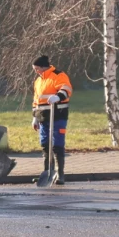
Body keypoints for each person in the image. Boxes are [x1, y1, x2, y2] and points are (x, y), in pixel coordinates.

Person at [32, 55, 72, 185]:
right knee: (45, 144)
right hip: (43, 117)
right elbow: (36, 101)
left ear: (44, 67)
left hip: (58, 115)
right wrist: (35, 118)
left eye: (37, 68)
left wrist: (58, 97)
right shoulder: (38, 81)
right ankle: (47, 172)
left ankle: (60, 174)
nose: (36, 71)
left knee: (57, 144)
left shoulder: (58, 75)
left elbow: (66, 89)